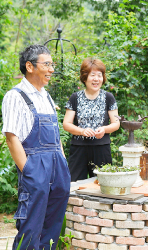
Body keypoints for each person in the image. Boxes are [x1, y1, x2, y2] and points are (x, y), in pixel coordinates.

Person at [1, 45, 70, 250]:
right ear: (30, 66)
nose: (51, 69)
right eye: (46, 64)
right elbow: (12, 138)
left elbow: (56, 136)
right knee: (30, 228)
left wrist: (63, 163)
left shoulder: (45, 96)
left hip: (57, 166)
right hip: (35, 167)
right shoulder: (16, 96)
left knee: (52, 227)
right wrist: (30, 172)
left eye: (52, 64)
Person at [63, 58, 120, 182]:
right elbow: (66, 124)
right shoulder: (75, 97)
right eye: (92, 75)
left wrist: (104, 129)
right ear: (84, 78)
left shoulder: (108, 97)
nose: (96, 79)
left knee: (104, 184)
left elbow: (116, 123)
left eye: (99, 75)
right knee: (74, 185)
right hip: (79, 148)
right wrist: (82, 131)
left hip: (102, 148)